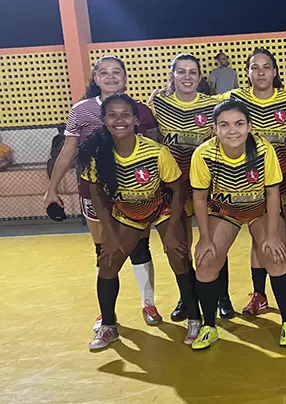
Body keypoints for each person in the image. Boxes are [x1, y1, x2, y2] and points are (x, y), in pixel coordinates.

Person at [43, 56, 162, 328]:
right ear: (96, 79)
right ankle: (107, 312)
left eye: (116, 72)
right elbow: (68, 150)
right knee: (103, 251)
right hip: (94, 192)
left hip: (136, 193)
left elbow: (156, 150)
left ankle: (149, 304)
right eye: (104, 72)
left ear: (125, 77)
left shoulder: (141, 111)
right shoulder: (82, 110)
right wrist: (52, 189)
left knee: (139, 247)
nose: (110, 77)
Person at [78, 94, 199, 349]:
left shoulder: (156, 152)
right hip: (128, 212)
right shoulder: (98, 155)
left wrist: (173, 229)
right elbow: (98, 195)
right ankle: (108, 325)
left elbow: (177, 188)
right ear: (104, 120)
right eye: (112, 115)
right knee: (109, 261)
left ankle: (195, 318)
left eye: (125, 115)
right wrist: (110, 233)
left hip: (162, 207)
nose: (119, 120)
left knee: (177, 253)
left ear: (135, 120)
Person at [190, 99, 286, 349]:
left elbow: (273, 193)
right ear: (214, 128)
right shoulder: (204, 154)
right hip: (225, 211)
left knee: (276, 255)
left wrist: (271, 235)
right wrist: (205, 238)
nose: (232, 130)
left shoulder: (263, 149)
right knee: (206, 260)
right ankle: (208, 325)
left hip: (260, 209)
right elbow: (199, 197)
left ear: (249, 126)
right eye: (224, 125)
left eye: (239, 123)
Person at [221, 48, 286, 315]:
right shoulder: (235, 98)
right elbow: (200, 103)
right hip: (252, 183)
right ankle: (259, 295)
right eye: (254, 67)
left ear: (275, 71)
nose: (260, 72)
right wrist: (164, 94)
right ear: (247, 72)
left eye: (266, 67)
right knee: (260, 239)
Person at [150, 54, 231, 322]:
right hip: (174, 187)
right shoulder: (159, 104)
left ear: (200, 77)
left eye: (192, 72)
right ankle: (186, 298)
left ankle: (222, 297)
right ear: (172, 75)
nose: (187, 77)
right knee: (180, 244)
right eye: (181, 72)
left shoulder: (212, 105)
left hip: (207, 184)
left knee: (214, 241)